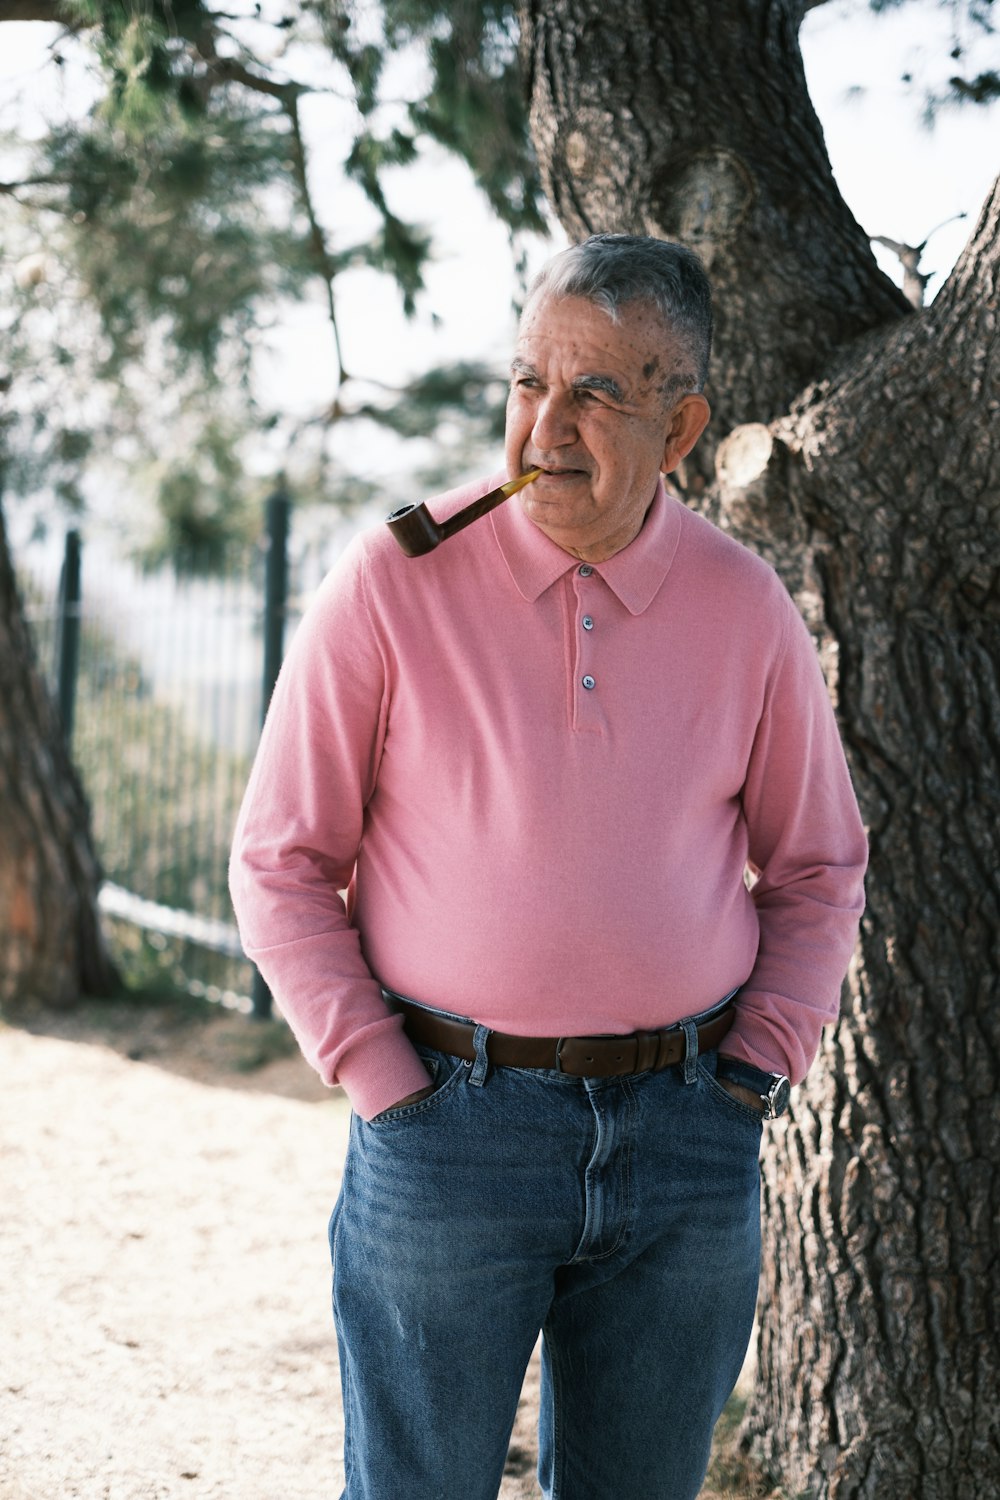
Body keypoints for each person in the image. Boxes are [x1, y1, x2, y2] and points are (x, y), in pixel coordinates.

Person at [230, 233, 867, 1500]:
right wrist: (382, 1083)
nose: (545, 426)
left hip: (689, 1134)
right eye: (529, 382)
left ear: (679, 429)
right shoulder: (391, 582)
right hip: (444, 1127)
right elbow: (281, 857)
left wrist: (751, 1078)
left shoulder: (746, 608)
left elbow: (816, 868)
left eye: (596, 393)